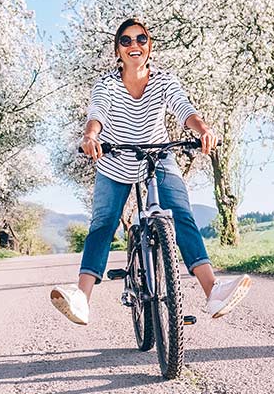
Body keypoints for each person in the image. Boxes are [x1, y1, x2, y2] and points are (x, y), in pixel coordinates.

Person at [50, 18, 251, 325]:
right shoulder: (106, 84)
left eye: (141, 39)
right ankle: (82, 298)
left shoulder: (164, 80)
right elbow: (97, 114)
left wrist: (203, 128)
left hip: (157, 158)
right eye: (126, 41)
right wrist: (91, 137)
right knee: (103, 224)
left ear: (149, 45)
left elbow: (183, 108)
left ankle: (213, 291)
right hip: (115, 160)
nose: (134, 45)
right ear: (118, 50)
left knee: (180, 214)